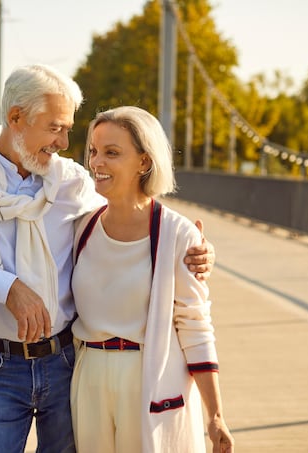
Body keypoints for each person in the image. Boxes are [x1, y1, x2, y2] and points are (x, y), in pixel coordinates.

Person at [0, 64, 215, 453]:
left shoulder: (70, 181)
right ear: (16, 118)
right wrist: (4, 286)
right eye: (55, 127)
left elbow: (134, 209)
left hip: (68, 363)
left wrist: (195, 248)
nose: (64, 142)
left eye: (69, 129)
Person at [70, 106, 234, 452]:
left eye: (112, 153)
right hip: (89, 381)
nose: (96, 162)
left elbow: (194, 324)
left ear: (144, 162)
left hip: (147, 378)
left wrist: (215, 414)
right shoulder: (80, 227)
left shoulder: (179, 235)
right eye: (94, 151)